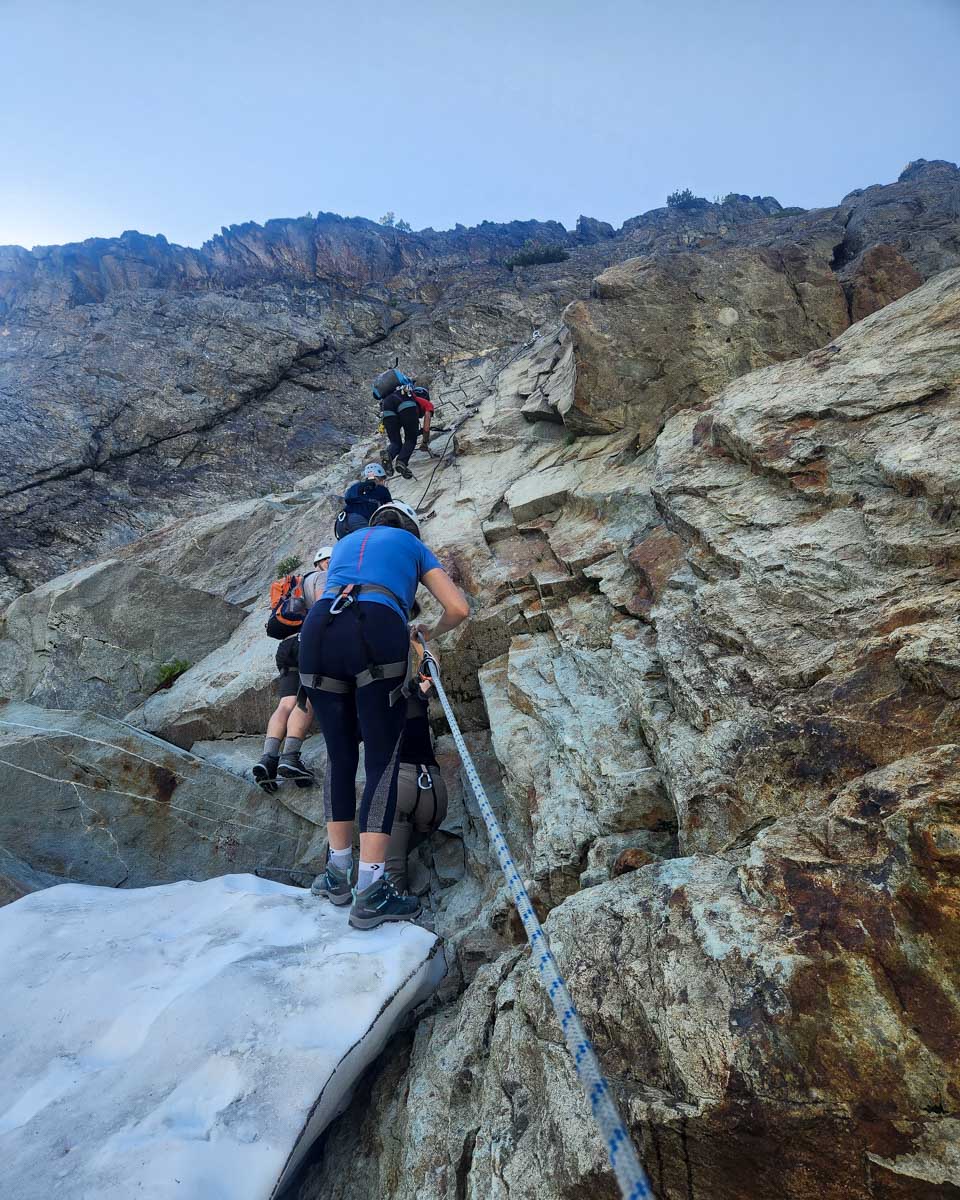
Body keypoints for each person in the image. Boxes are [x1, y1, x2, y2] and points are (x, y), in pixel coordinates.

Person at [300, 500, 469, 930]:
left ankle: (336, 874)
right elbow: (459, 609)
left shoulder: (346, 544)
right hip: (376, 626)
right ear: (411, 527)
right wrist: (427, 632)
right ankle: (372, 888)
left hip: (319, 630)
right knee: (382, 760)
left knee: (340, 757)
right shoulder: (412, 545)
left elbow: (320, 591)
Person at [252, 546, 331, 791]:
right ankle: (290, 757)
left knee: (286, 703)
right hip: (308, 642)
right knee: (304, 700)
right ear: (327, 562)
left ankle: (268, 758)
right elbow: (324, 610)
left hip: (287, 646)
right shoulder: (325, 578)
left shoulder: (298, 584)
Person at [384, 663, 448, 893]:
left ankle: (393, 895)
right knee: (398, 852)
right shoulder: (415, 699)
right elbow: (430, 672)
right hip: (436, 790)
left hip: (402, 785)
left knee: (390, 863)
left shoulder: (373, 708)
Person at [379, 383, 434, 480]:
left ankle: (389, 455)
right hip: (406, 407)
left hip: (386, 406)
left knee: (395, 443)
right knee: (410, 439)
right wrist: (425, 442)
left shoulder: (401, 394)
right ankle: (401, 462)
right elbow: (426, 426)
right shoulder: (424, 402)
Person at [334, 463, 393, 540]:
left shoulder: (356, 487)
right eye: (383, 479)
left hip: (340, 522)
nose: (384, 482)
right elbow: (391, 510)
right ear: (379, 479)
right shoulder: (381, 489)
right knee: (373, 545)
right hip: (358, 521)